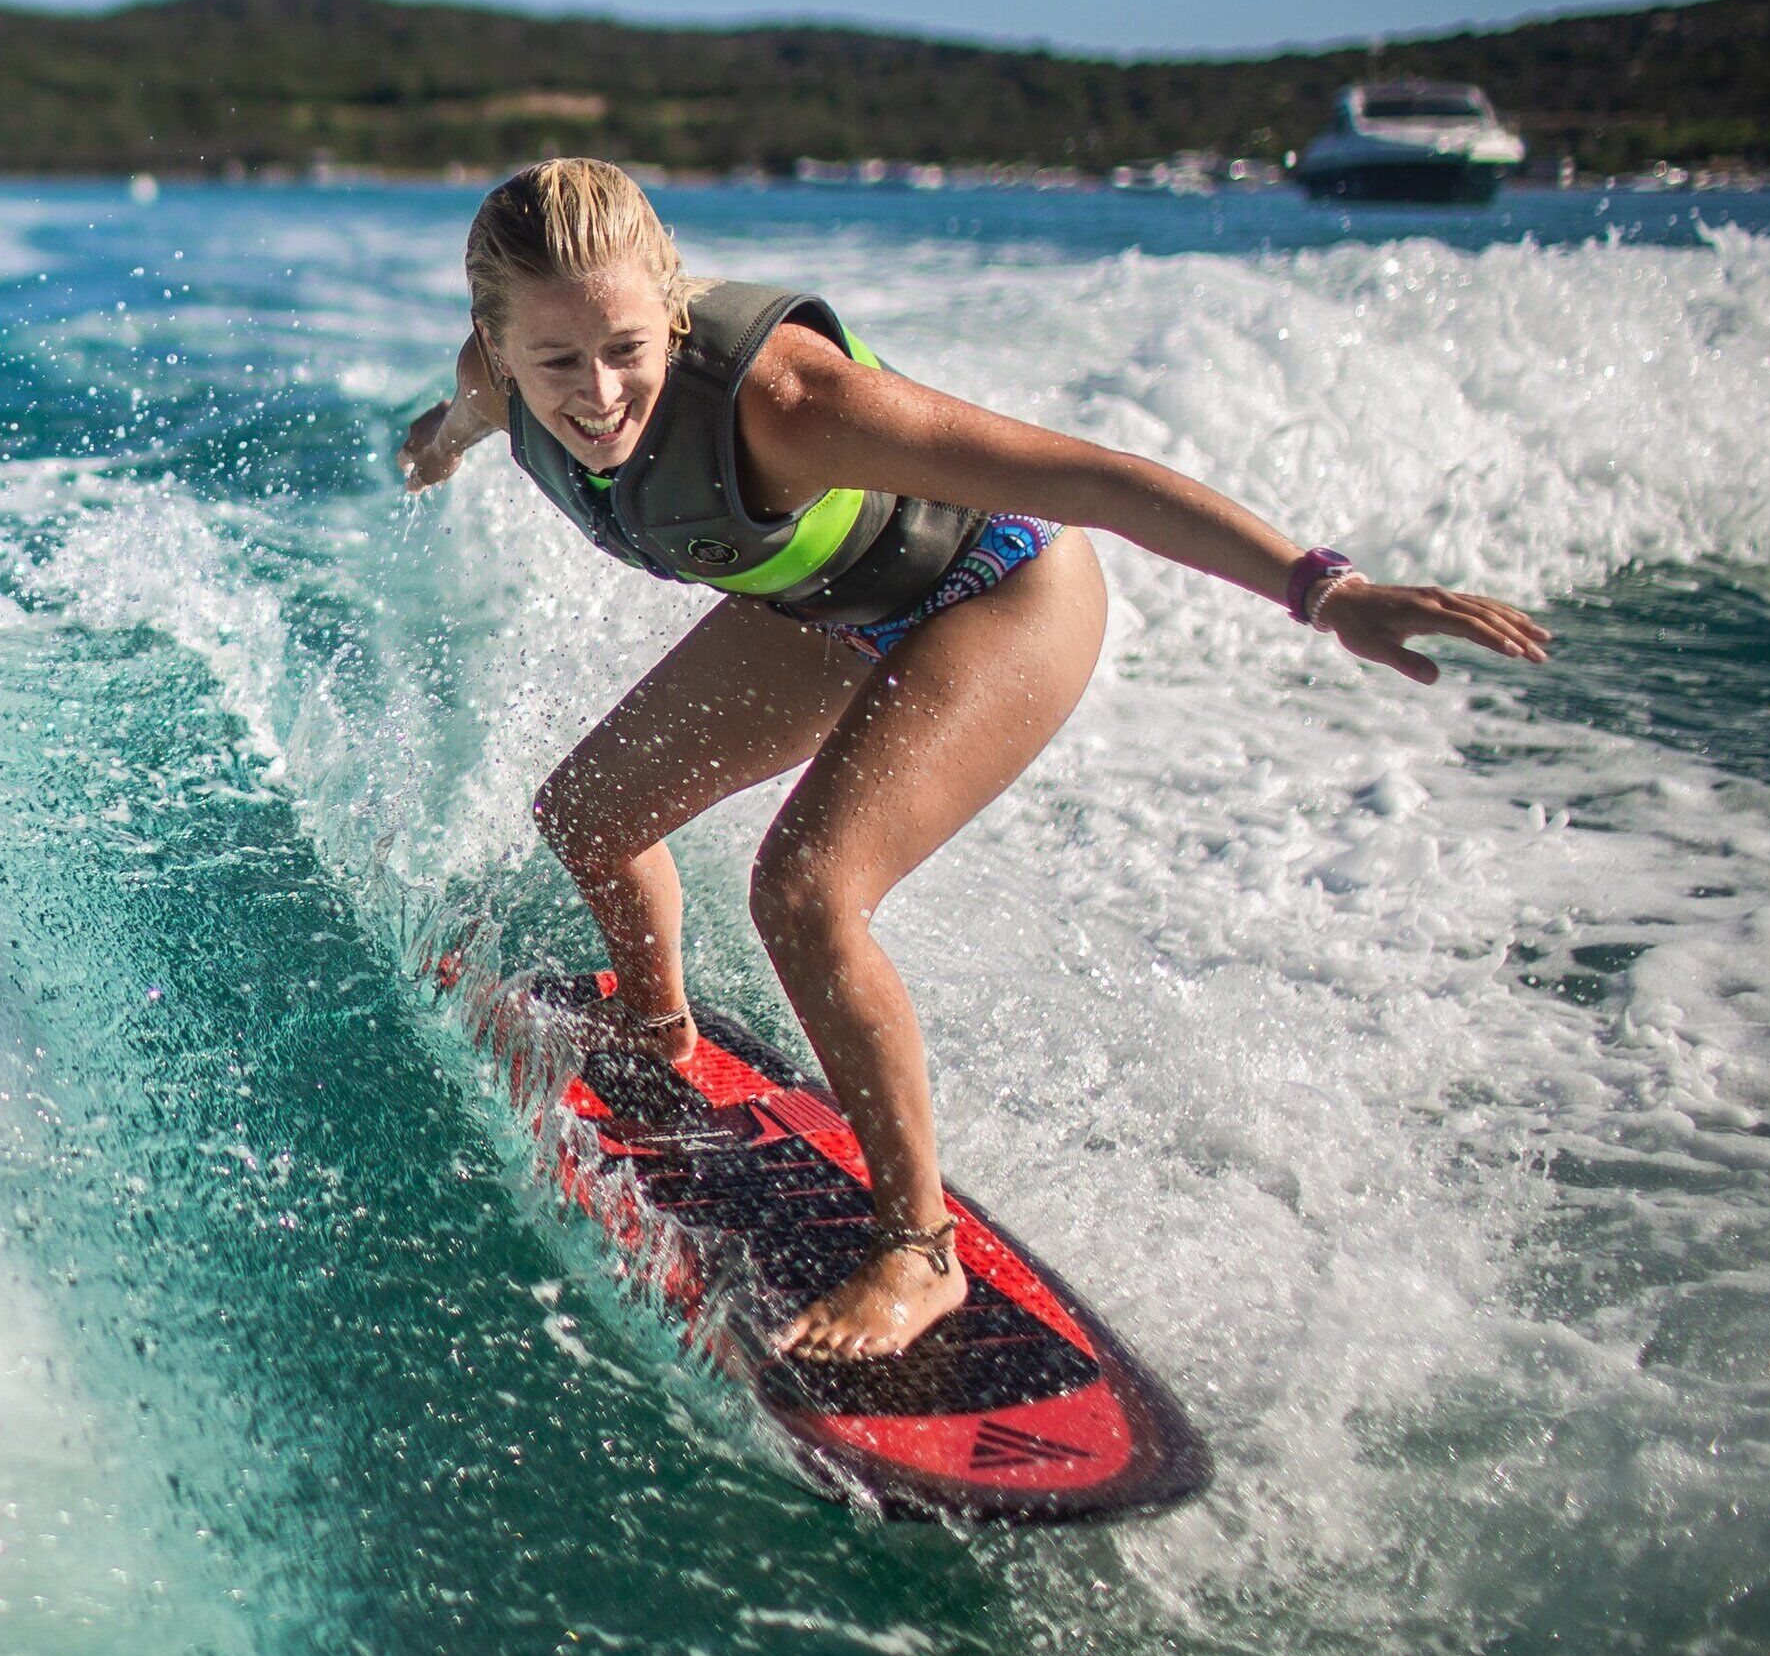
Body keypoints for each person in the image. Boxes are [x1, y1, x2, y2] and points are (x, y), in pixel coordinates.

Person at [396, 160, 1549, 1361]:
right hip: (831, 607)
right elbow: (467, 417)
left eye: (628, 348)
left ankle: (918, 1252)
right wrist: (434, 447)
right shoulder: (499, 378)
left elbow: (1087, 477)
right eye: (556, 362)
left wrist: (1328, 590)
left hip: (1000, 590)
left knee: (805, 891)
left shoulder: (788, 404)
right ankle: (656, 1028)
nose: (598, 392)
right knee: (590, 811)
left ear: (673, 312)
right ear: (496, 340)